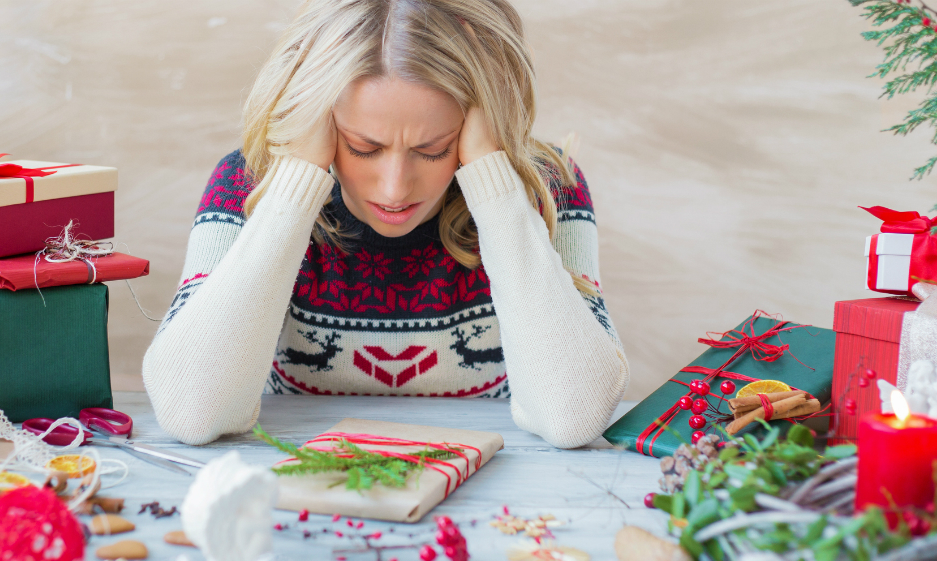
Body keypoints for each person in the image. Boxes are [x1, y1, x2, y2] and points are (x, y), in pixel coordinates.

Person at [143, 0, 628, 447]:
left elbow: (573, 415)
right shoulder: (245, 184)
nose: (395, 188)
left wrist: (494, 183)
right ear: (323, 121)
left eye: (432, 149)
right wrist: (294, 184)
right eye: (363, 147)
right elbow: (192, 411)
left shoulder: (547, 187)